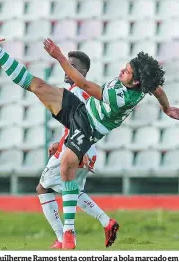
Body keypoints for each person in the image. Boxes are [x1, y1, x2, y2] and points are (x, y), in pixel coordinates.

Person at [0, 23, 179, 249]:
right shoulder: (143, 84)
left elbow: (83, 83)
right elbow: (157, 89)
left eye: (126, 72)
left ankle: (67, 235)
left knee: (66, 167)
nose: (121, 71)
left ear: (136, 82)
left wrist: (60, 57)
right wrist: (166, 108)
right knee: (37, 85)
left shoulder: (118, 96)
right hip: (80, 111)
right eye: (126, 67)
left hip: (88, 127)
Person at [37, 51, 118, 249]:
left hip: (73, 149)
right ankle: (107, 222)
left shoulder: (74, 91)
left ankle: (61, 237)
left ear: (82, 71)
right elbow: (81, 124)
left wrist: (63, 146)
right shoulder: (88, 93)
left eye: (71, 66)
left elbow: (77, 127)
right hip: (88, 148)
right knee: (74, 190)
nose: (66, 69)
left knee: (43, 188)